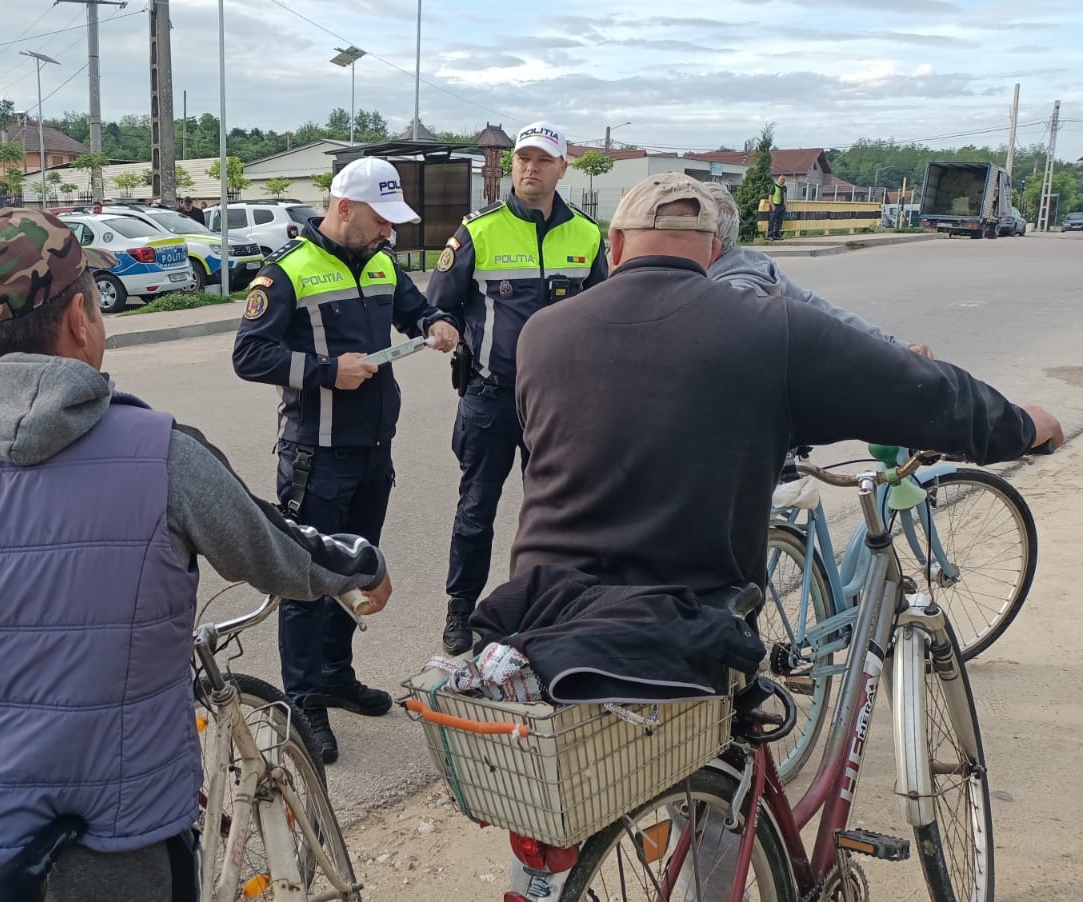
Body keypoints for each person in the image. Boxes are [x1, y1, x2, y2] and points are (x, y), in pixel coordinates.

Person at [0, 208, 393, 897]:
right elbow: (274, 550)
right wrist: (360, 565)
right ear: (80, 321)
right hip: (113, 834)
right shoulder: (160, 452)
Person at [509, 171, 1062, 599]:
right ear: (713, 251)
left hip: (542, 608)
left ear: (616, 245)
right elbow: (923, 394)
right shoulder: (769, 327)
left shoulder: (541, 333)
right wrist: (1022, 426)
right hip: (688, 620)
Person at [232, 156, 458, 763]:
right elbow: (250, 356)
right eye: (381, 220)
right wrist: (329, 373)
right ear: (344, 208)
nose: (389, 233)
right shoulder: (287, 273)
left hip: (372, 451)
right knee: (307, 579)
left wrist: (436, 322)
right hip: (316, 456)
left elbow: (415, 308)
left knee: (353, 570)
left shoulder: (382, 261)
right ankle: (301, 701)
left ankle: (335, 675)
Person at [426, 121, 608, 656]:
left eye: (542, 160)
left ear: (561, 168)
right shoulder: (477, 231)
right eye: (522, 159)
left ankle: (546, 607)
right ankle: (461, 609)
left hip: (559, 403)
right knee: (476, 508)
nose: (530, 168)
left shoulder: (588, 234)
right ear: (512, 166)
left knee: (555, 510)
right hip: (490, 396)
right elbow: (437, 303)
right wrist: (440, 326)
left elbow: (603, 311)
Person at [698, 181, 935, 358]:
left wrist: (899, 351)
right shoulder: (751, 263)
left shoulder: (735, 291)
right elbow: (829, 315)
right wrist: (898, 348)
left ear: (711, 239)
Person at [768, 173, 789, 240]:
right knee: (772, 221)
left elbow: (785, 197)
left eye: (783, 179)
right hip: (775, 205)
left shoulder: (785, 188)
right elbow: (770, 197)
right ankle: (770, 235)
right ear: (778, 180)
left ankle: (776, 235)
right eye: (781, 179)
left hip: (782, 206)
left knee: (779, 221)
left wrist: (785, 205)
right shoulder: (774, 186)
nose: (782, 181)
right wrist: (772, 205)